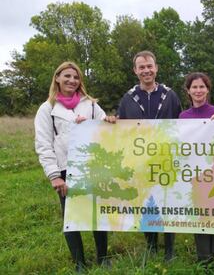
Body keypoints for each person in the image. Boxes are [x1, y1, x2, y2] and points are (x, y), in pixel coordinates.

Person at [34, 61, 110, 272]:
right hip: (66, 169)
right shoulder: (47, 109)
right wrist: (54, 176)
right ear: (57, 78)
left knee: (96, 213)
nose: (72, 80)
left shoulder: (91, 104)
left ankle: (103, 258)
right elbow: (43, 144)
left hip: (93, 167)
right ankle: (79, 263)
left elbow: (105, 125)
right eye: (67, 76)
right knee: (71, 216)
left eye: (76, 77)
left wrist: (111, 121)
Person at [116, 50, 182, 260]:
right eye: (141, 67)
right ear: (135, 70)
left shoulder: (169, 95)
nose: (146, 70)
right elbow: (120, 128)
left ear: (156, 68)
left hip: (166, 158)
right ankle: (152, 246)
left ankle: (169, 249)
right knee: (146, 202)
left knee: (168, 202)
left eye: (149, 66)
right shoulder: (128, 98)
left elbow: (183, 125)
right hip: (140, 161)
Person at [179, 72, 214, 263]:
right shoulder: (183, 117)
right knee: (199, 213)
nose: (198, 90)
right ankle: (203, 258)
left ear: (207, 89)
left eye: (202, 87)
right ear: (188, 91)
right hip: (195, 175)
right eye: (194, 87)